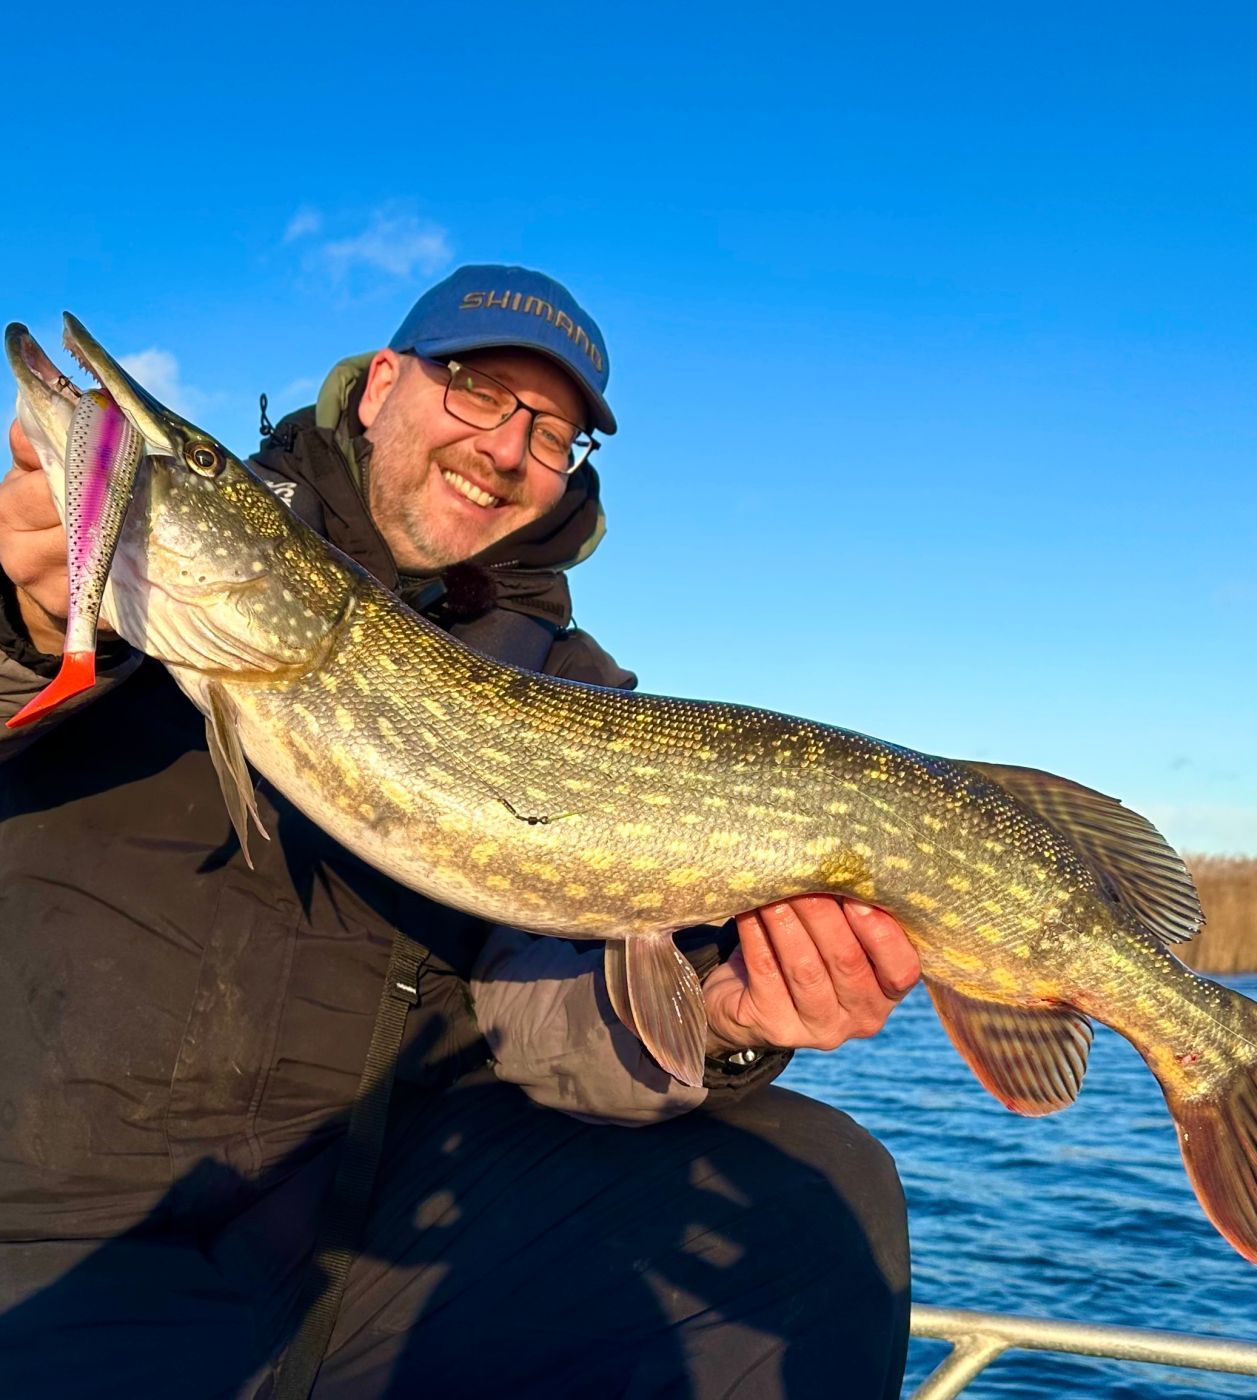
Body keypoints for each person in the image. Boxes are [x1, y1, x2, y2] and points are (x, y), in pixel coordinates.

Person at [0, 266, 919, 1398]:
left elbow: (540, 1010)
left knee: (818, 1189)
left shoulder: (571, 687)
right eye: (478, 389)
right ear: (382, 382)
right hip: (65, 1234)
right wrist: (22, 627)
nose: (507, 447)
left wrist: (720, 1010)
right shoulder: (122, 579)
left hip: (381, 1235)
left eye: (555, 432)